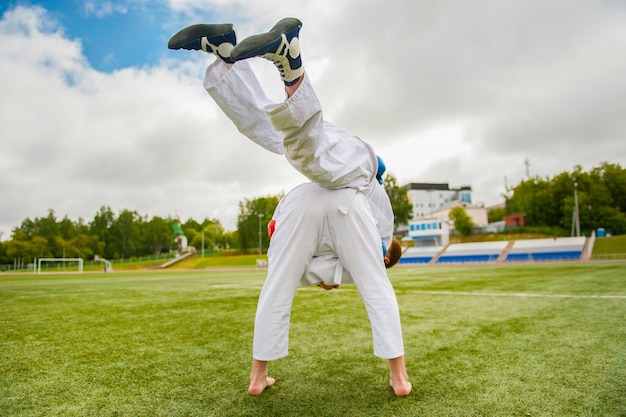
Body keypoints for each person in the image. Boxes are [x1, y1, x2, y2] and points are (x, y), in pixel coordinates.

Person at [168, 17, 412, 397]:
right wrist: (330, 271)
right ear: (385, 255)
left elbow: (303, 272)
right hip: (355, 172)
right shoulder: (379, 232)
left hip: (309, 198)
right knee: (308, 156)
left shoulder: (348, 254)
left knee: (272, 133)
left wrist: (282, 225)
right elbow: (372, 278)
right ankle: (291, 62)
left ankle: (226, 57)